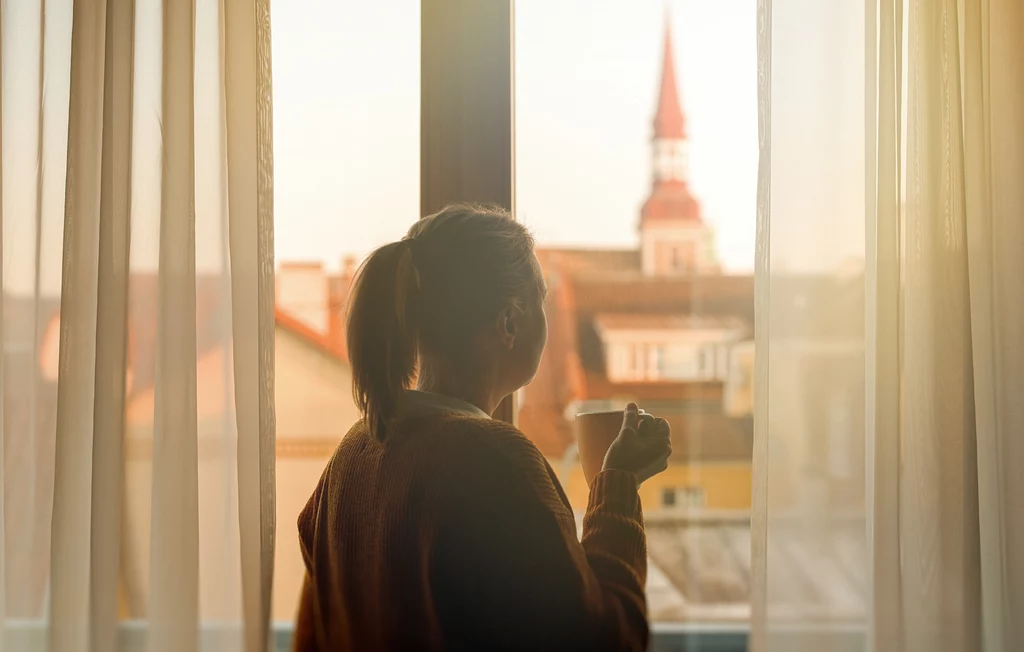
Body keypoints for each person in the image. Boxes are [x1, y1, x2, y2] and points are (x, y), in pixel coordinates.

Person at [294, 203, 672, 651]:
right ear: (510, 322)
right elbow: (605, 639)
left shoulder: (352, 454)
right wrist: (618, 486)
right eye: (541, 300)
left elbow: (312, 633)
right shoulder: (495, 461)